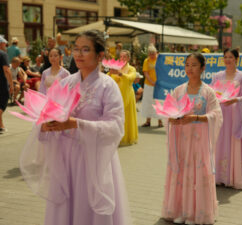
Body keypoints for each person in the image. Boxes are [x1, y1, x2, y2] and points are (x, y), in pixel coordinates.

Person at [20, 30, 131, 225]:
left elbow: (115, 127)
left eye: (85, 49)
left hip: (95, 159)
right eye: (76, 49)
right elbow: (48, 114)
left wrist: (76, 124)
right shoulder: (66, 83)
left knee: (90, 209)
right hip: (66, 160)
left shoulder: (108, 86)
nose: (78, 54)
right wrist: (46, 126)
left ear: (100, 56)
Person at [162, 53, 223, 225]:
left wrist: (196, 118)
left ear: (203, 68)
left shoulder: (208, 92)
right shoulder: (179, 90)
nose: (189, 68)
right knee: (181, 172)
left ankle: (196, 213)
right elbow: (168, 111)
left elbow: (216, 115)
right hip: (181, 140)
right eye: (187, 64)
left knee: (198, 174)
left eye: (194, 65)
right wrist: (171, 119)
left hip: (198, 142)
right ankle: (180, 210)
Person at [211, 48, 242, 189]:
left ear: (236, 59)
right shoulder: (217, 76)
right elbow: (211, 93)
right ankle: (220, 176)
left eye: (230, 57)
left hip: (235, 115)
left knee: (233, 142)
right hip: (221, 114)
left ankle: (235, 177)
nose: (228, 60)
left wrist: (236, 99)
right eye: (225, 57)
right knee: (220, 143)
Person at [108, 50, 138, 146]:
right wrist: (110, 72)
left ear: (128, 58)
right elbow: (109, 77)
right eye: (121, 57)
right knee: (116, 115)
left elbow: (131, 77)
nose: (122, 59)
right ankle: (115, 136)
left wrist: (120, 74)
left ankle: (125, 137)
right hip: (117, 94)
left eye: (125, 57)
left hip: (128, 95)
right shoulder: (116, 67)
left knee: (126, 115)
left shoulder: (131, 69)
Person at [141, 45, 163, 127]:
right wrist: (151, 81)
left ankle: (160, 121)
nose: (152, 55)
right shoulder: (146, 61)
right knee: (148, 102)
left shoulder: (159, 59)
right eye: (150, 54)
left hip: (158, 85)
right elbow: (145, 72)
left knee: (158, 102)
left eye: (153, 53)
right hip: (149, 84)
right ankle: (148, 121)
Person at [0, 36, 13, 133]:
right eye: (4, 43)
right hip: (2, 83)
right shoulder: (3, 54)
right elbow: (7, 71)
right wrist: (11, 85)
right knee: (3, 103)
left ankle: (1, 125)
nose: (5, 44)